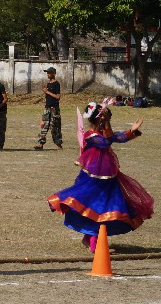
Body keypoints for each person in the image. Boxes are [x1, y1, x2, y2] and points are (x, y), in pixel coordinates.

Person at [48, 101, 153, 252]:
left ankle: (88, 238)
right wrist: (107, 124)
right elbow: (105, 142)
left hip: (108, 177)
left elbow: (118, 137)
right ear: (99, 119)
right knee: (96, 207)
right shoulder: (90, 135)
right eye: (104, 117)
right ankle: (94, 244)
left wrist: (131, 131)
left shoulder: (103, 132)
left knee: (106, 207)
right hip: (93, 179)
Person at [35, 67, 63, 150]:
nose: (48, 74)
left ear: (53, 74)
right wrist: (45, 92)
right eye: (47, 73)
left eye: (49, 73)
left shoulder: (56, 84)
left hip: (54, 109)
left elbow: (58, 97)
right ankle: (41, 144)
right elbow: (48, 96)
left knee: (55, 127)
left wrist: (47, 92)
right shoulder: (48, 84)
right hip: (47, 108)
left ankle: (59, 145)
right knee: (43, 126)